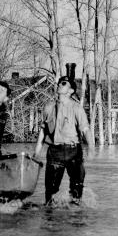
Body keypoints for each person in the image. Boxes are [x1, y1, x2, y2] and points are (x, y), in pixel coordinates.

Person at [34, 76, 94, 205]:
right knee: (50, 192)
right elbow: (43, 131)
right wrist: (36, 152)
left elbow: (85, 130)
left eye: (63, 83)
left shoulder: (76, 108)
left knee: (77, 190)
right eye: (59, 83)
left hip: (74, 151)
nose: (59, 85)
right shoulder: (49, 107)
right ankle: (49, 215)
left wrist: (91, 149)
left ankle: (75, 214)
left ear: (71, 90)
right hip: (54, 152)